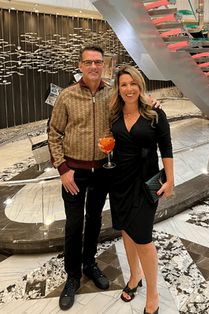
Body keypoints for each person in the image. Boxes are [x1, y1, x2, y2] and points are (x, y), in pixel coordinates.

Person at [100, 65, 174, 314]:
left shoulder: (155, 113)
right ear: (118, 89)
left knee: (143, 238)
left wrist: (170, 179)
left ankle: (152, 294)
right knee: (126, 232)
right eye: (123, 84)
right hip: (119, 182)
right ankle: (135, 276)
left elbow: (166, 147)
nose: (129, 89)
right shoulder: (114, 114)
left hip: (148, 183)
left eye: (133, 83)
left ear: (140, 85)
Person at [48, 45, 111, 311]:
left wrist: (153, 103)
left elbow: (135, 106)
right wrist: (63, 169)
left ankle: (90, 264)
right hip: (75, 173)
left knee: (95, 219)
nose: (94, 67)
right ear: (80, 65)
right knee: (74, 224)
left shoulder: (113, 93)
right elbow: (54, 133)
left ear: (103, 65)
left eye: (98, 62)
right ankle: (73, 275)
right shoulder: (67, 96)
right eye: (89, 62)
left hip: (102, 171)